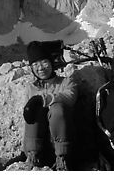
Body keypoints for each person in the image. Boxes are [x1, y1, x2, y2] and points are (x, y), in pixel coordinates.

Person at [22, 41, 78, 171]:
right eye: (35, 64)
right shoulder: (31, 87)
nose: (40, 68)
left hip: (65, 149)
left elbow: (70, 97)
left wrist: (46, 99)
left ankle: (62, 159)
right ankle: (33, 156)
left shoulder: (67, 82)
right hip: (38, 149)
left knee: (57, 108)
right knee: (34, 110)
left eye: (44, 62)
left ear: (52, 62)